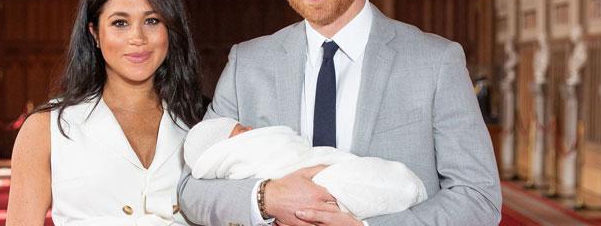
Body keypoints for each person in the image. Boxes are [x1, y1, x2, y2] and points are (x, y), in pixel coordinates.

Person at [178, 0, 501, 226]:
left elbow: (478, 197)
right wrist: (267, 197)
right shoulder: (248, 65)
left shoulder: (435, 63)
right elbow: (191, 191)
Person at [7, 0, 206, 226]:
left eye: (152, 21)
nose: (137, 37)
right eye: (120, 23)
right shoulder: (47, 127)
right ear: (95, 34)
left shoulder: (201, 121)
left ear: (169, 30)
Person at [183, 117, 427, 220]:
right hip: (319, 179)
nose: (250, 129)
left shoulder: (440, 59)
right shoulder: (241, 62)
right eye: (241, 130)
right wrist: (266, 197)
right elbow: (191, 193)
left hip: (323, 167)